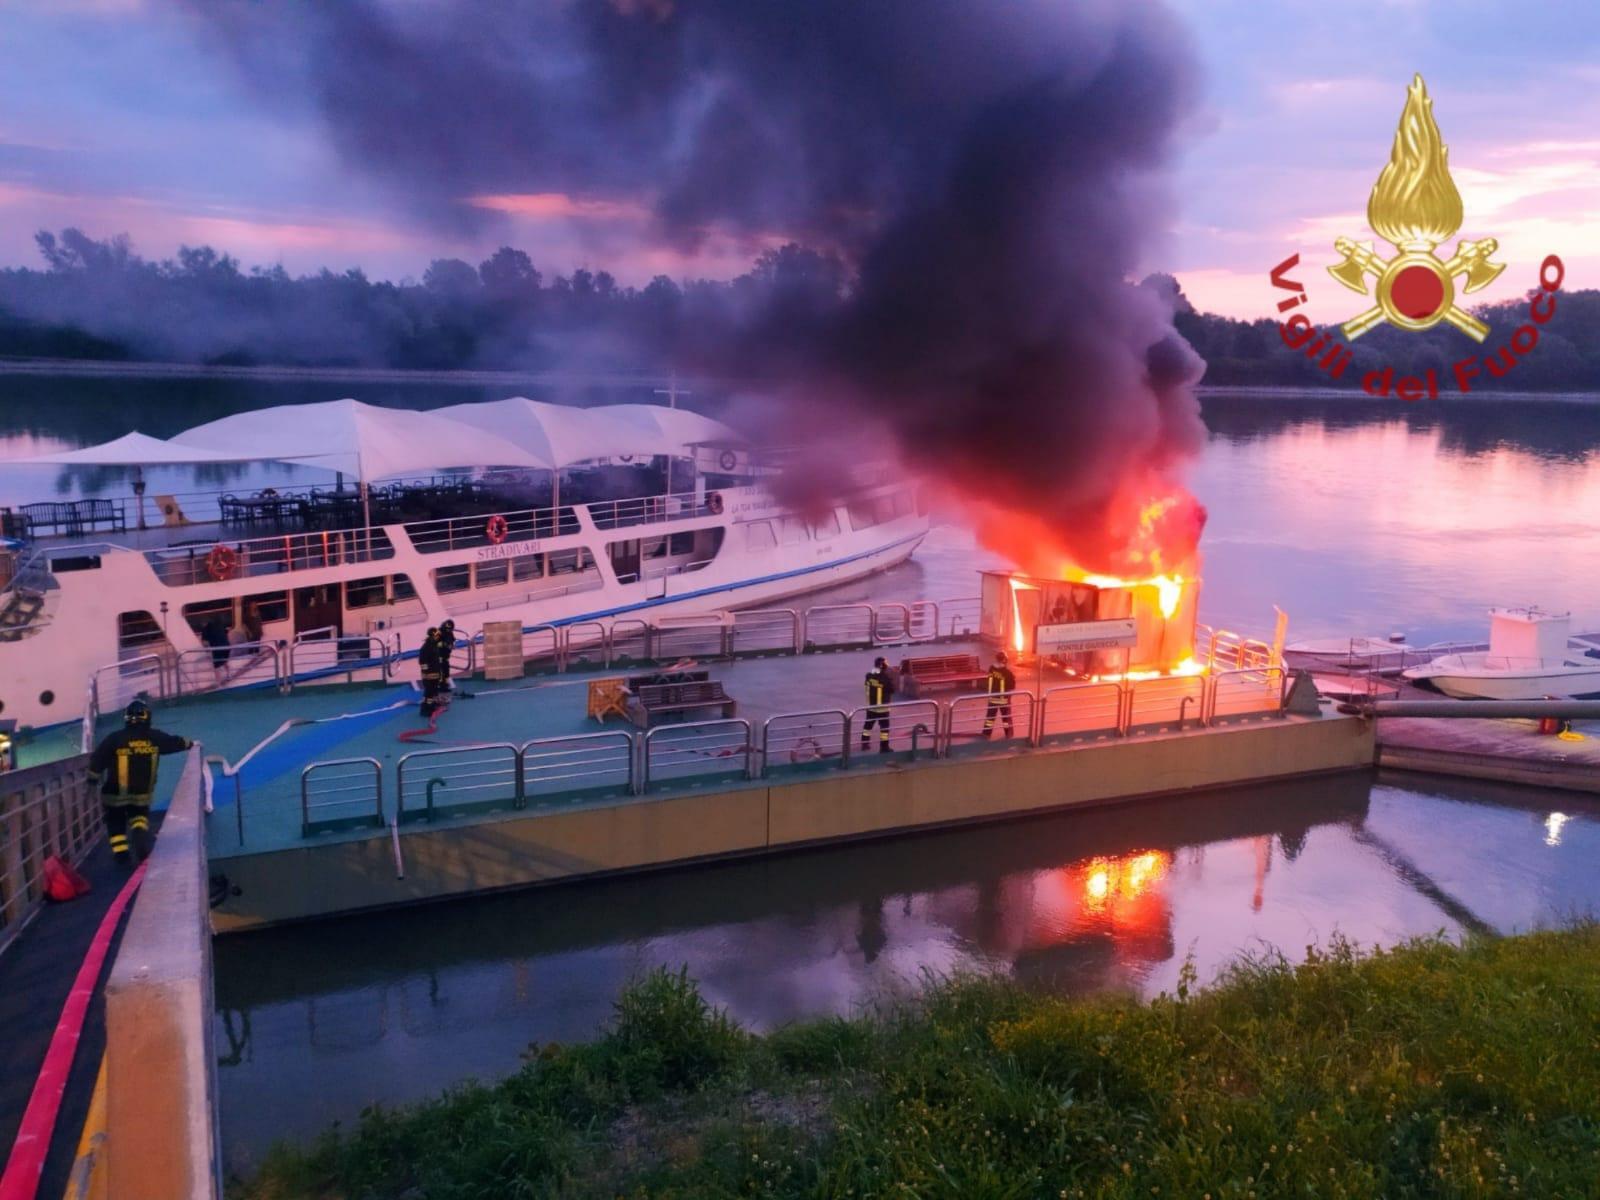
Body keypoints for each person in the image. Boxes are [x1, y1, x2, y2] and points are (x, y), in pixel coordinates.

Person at [89, 699, 192, 865]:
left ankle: (121, 855)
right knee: (139, 817)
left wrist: (92, 780)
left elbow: (97, 760)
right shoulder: (155, 737)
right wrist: (191, 744)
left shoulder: (114, 738)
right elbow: (174, 742)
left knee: (115, 823)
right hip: (141, 793)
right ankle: (139, 832)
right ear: (147, 717)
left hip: (114, 794)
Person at [862, 655, 896, 754]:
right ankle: (884, 747)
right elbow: (892, 689)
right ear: (882, 665)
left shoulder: (869, 675)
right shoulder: (885, 678)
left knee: (867, 726)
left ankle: (864, 743)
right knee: (884, 729)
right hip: (882, 708)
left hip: (871, 706)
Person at [982, 651, 1017, 739]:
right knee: (1005, 717)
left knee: (990, 716)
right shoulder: (1007, 672)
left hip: (993, 697)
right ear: (1004, 659)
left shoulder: (991, 668)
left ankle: (986, 733)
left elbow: (989, 680)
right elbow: (1012, 686)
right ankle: (1008, 733)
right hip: (1003, 699)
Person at [418, 625, 448, 719]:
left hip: (435, 674)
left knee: (433, 692)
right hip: (429, 676)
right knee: (429, 693)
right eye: (437, 636)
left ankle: (431, 705)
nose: (438, 637)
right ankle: (425, 709)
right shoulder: (426, 647)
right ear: (433, 636)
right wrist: (427, 673)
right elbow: (422, 662)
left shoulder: (433, 645)